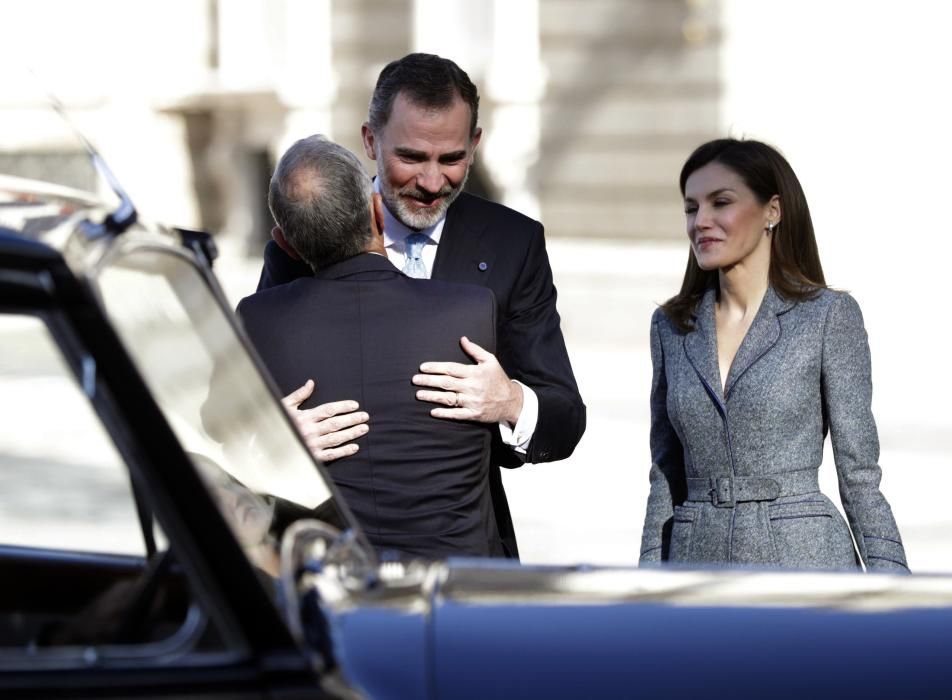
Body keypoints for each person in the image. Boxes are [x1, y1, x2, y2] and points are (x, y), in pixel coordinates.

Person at [259, 53, 586, 559]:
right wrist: (273, 436)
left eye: (451, 159)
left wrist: (510, 402)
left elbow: (565, 416)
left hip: (463, 558)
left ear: (475, 145)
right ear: (370, 140)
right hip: (324, 554)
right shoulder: (302, 237)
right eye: (411, 157)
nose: (432, 183)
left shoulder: (513, 242)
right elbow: (236, 404)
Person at [639, 138, 908, 572]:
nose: (701, 221)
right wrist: (647, 585)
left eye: (720, 202)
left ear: (773, 211)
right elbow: (665, 476)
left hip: (804, 562)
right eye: (691, 208)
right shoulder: (671, 327)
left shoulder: (827, 317)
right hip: (695, 566)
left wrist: (894, 587)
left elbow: (859, 474)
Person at [238, 134, 502, 559]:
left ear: (283, 243)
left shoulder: (258, 321)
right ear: (378, 210)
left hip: (329, 585)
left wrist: (270, 442)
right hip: (457, 591)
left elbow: (207, 446)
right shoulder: (469, 310)